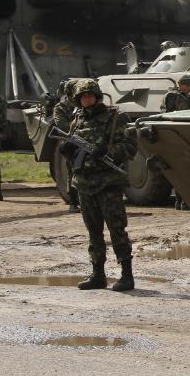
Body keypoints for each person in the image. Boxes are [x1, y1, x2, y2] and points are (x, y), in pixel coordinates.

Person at [58, 79, 137, 292]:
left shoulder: (115, 117)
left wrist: (108, 152)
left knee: (117, 230)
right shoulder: (77, 119)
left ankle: (126, 275)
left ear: (97, 96)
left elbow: (130, 146)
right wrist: (68, 149)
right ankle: (98, 275)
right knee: (94, 232)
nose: (87, 99)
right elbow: (72, 147)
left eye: (90, 95)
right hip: (84, 183)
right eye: (83, 96)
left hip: (108, 183)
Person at [163, 74, 190, 210]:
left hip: (186, 135)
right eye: (186, 84)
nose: (188, 87)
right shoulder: (172, 96)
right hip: (175, 135)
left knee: (187, 170)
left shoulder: (188, 97)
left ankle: (184, 201)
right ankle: (180, 200)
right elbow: (167, 114)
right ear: (180, 84)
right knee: (179, 170)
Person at [53, 78, 81, 213]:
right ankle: (73, 202)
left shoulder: (81, 104)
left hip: (85, 141)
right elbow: (62, 126)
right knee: (72, 172)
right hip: (70, 143)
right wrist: (78, 126)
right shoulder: (60, 107)